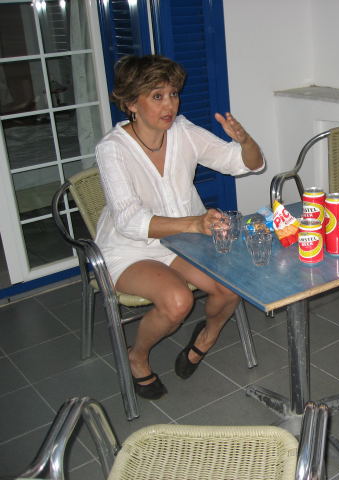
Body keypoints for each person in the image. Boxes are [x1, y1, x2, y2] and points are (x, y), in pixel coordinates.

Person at [95, 55, 264, 400]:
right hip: (131, 248)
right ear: (131, 103)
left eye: (173, 94)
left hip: (184, 241)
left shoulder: (183, 131)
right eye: (157, 96)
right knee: (177, 301)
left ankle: (206, 337)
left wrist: (246, 142)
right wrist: (195, 223)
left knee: (230, 286)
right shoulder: (112, 150)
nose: (169, 104)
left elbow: (245, 163)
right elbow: (129, 221)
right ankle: (137, 355)